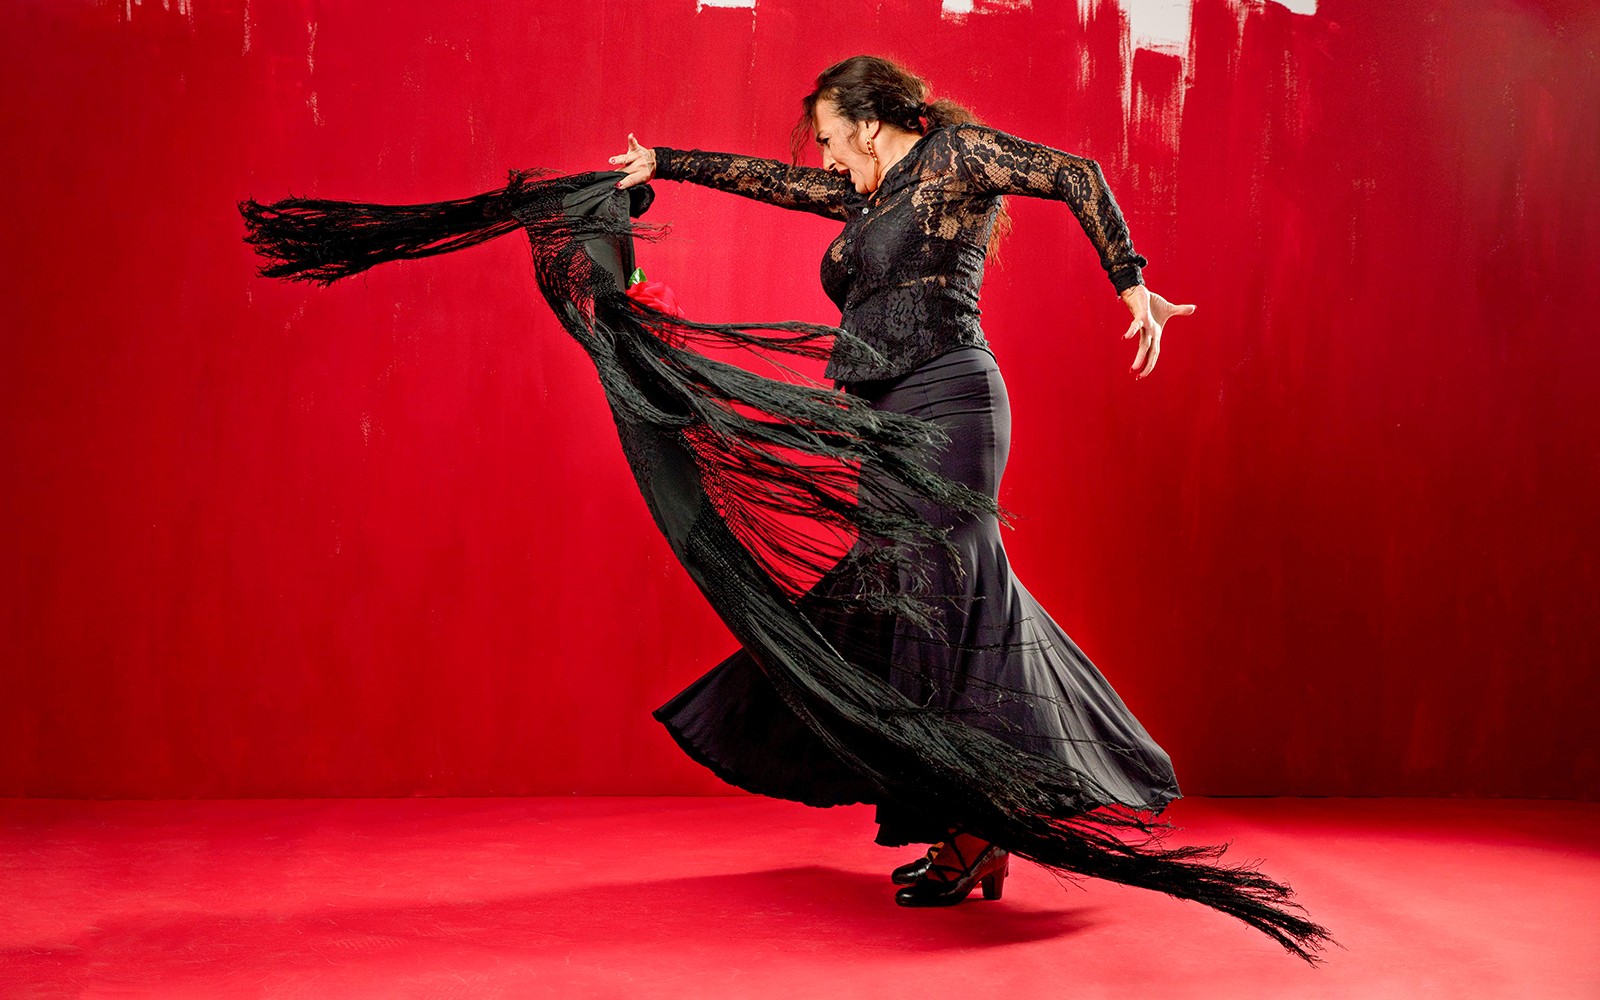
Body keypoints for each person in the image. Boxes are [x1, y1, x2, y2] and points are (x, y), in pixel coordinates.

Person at [609, 54, 1198, 907]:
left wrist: (1131, 284)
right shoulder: (869, 194)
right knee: (912, 599)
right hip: (880, 419)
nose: (821, 157)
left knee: (945, 594)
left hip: (950, 399)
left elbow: (1075, 174)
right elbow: (769, 181)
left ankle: (979, 824)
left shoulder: (953, 158)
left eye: (827, 138)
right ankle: (969, 821)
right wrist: (664, 162)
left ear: (867, 122)